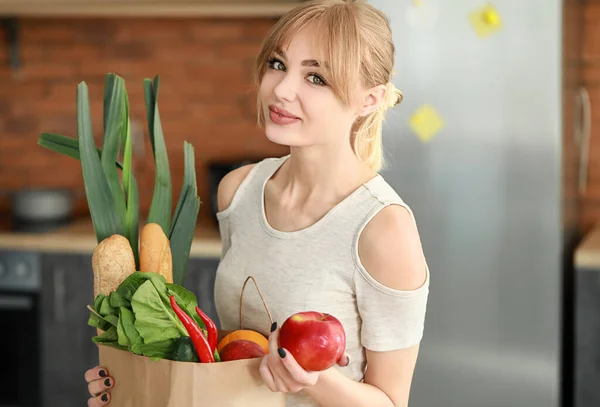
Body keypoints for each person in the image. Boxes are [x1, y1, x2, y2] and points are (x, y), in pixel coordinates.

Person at [85, 0, 430, 406]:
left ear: (370, 100)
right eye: (279, 64)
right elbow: (234, 356)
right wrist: (139, 382)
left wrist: (311, 379)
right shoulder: (240, 191)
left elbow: (391, 402)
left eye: (316, 77)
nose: (281, 90)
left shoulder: (382, 228)